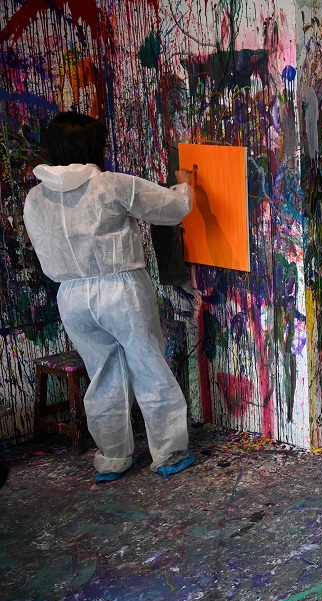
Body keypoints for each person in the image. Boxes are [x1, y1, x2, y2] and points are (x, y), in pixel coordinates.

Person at [22, 112, 196, 483]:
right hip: (120, 288)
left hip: (70, 295)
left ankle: (113, 458)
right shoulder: (110, 185)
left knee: (102, 374)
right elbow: (172, 209)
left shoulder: (35, 198)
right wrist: (184, 186)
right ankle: (168, 453)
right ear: (91, 147)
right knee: (148, 366)